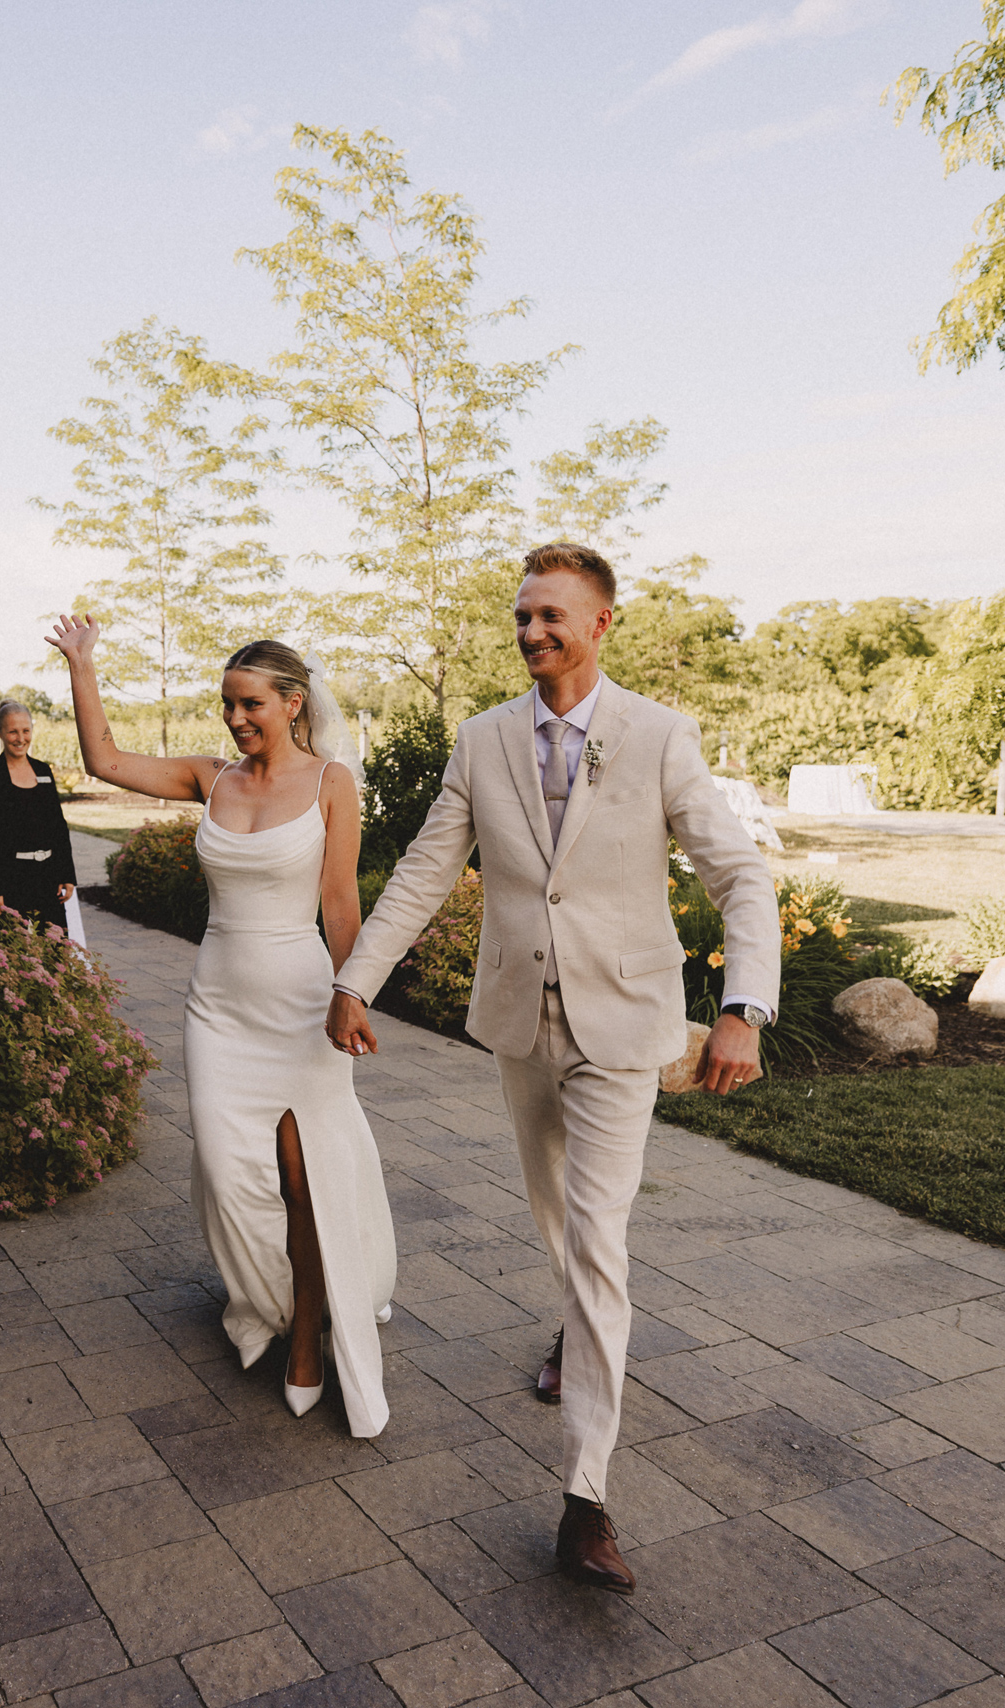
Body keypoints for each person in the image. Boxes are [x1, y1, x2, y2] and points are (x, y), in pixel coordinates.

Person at [324, 541, 779, 1594]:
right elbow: (425, 872)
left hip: (624, 1027)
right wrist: (356, 979)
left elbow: (740, 878)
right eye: (522, 616)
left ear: (599, 624)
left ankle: (584, 1501)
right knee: (557, 1228)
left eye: (551, 616)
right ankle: (572, 1331)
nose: (531, 632)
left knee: (598, 1239)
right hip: (523, 1026)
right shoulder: (481, 741)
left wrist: (740, 1009)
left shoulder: (661, 736)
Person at [47, 617, 395, 1434]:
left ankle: (309, 1333)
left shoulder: (330, 784)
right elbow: (105, 761)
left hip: (302, 1003)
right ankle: (271, 1301)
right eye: (228, 706)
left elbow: (341, 903)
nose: (236, 720)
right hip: (219, 1009)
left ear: (292, 702)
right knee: (234, 1173)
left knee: (303, 1178)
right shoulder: (213, 778)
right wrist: (84, 664)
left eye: (250, 705)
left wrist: (358, 993)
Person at [0, 700, 78, 934]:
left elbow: (58, 826)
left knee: (57, 954)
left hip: (48, 879)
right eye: (13, 731)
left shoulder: (43, 771)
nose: (20, 738)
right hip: (9, 882)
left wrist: (66, 873)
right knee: (15, 960)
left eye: (26, 731)